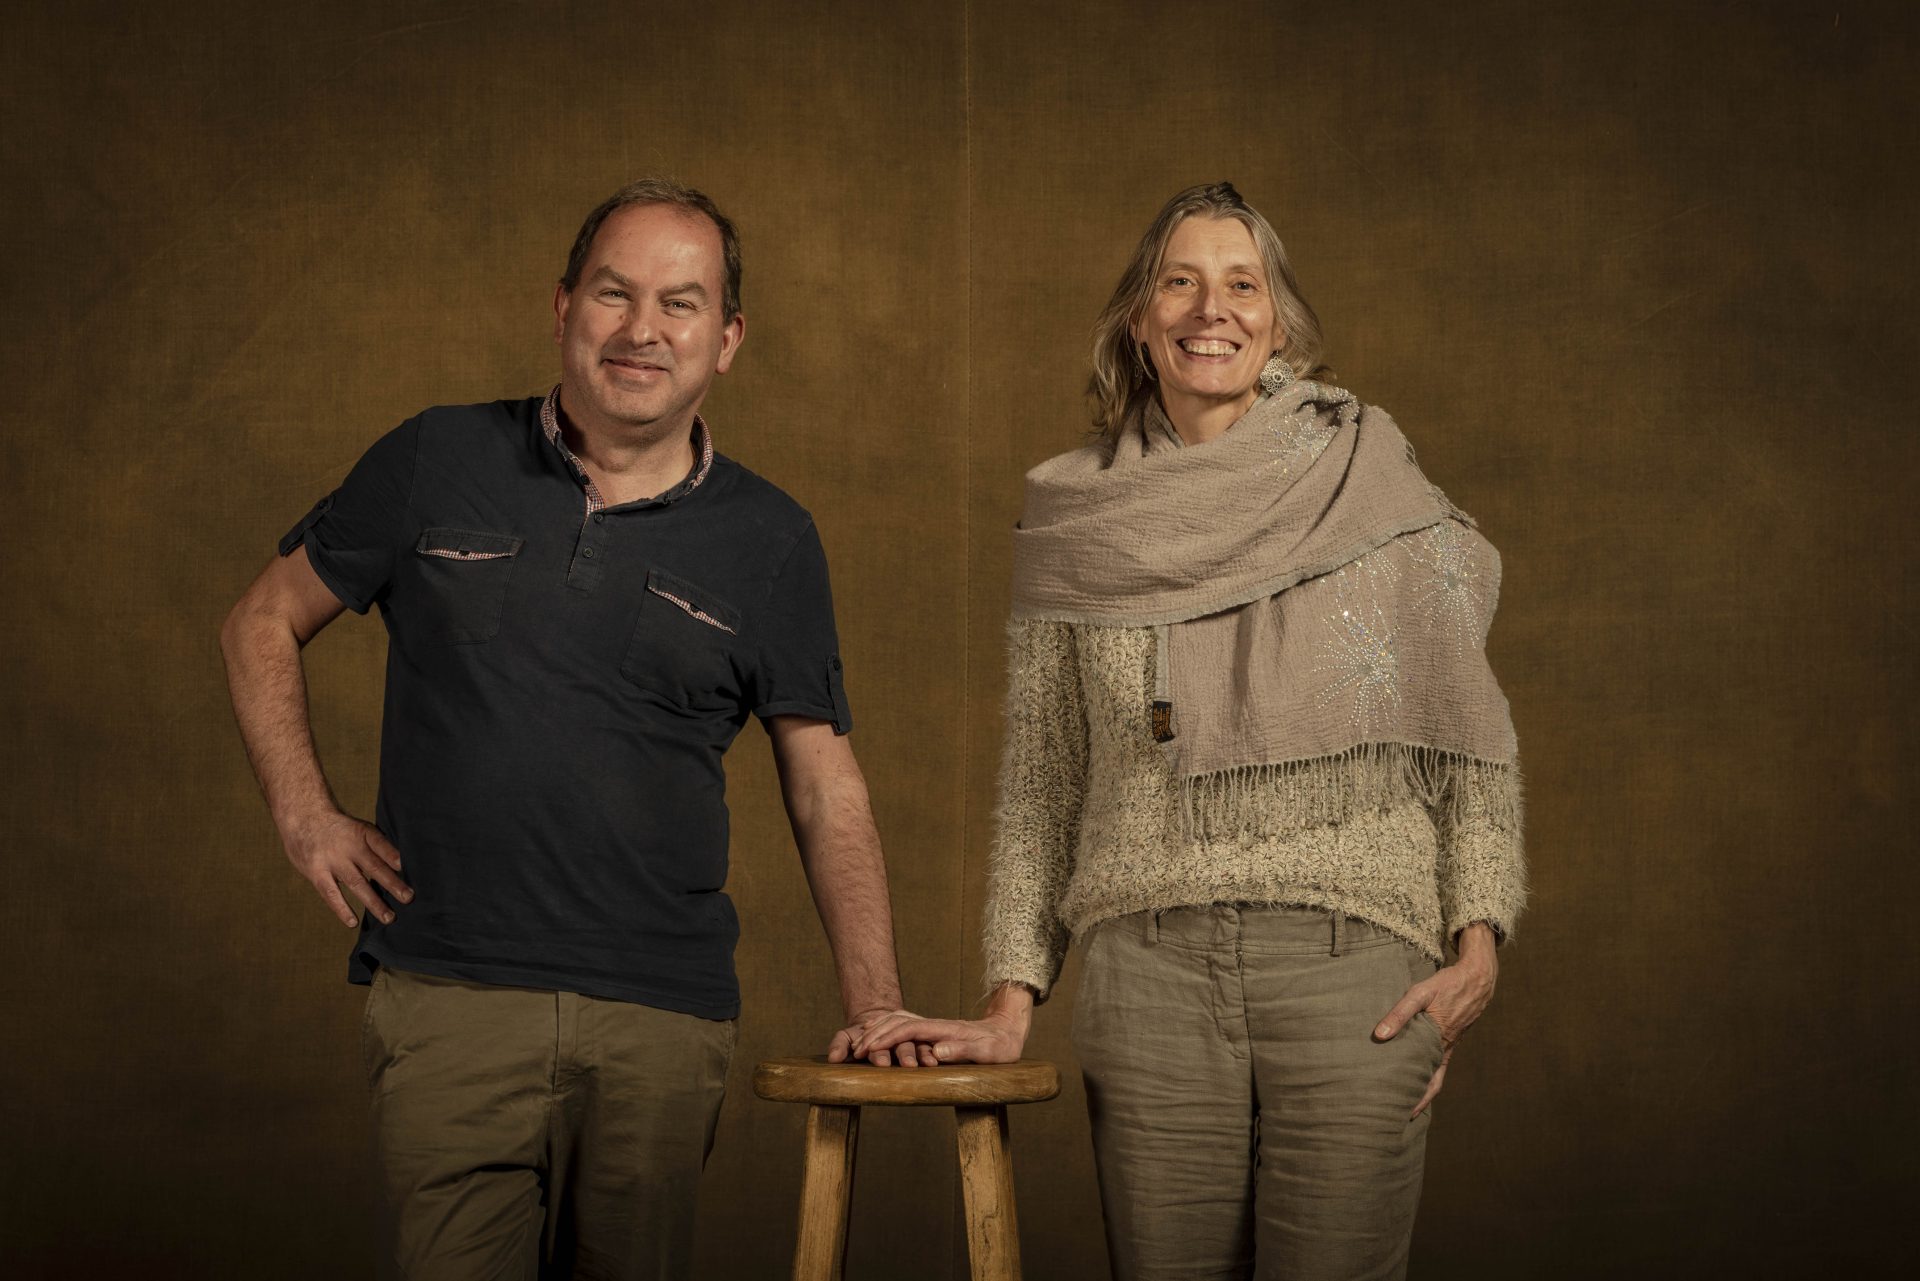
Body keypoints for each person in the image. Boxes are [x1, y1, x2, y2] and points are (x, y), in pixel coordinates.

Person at [219, 177, 928, 1280]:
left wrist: (875, 1002)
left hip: (661, 1022)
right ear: (562, 308)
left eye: (681, 303)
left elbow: (823, 783)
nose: (643, 329)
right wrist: (304, 816)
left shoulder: (774, 539)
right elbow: (261, 620)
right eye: (614, 292)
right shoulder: (435, 457)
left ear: (727, 339)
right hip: (452, 1000)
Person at [852, 182, 1526, 1279]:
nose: (1211, 309)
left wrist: (1478, 945)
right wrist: (1010, 1003)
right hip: (1148, 976)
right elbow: (1044, 779)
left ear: (1279, 323)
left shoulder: (1370, 484)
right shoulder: (1077, 516)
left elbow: (1463, 732)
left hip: (1353, 968)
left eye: (1241, 285)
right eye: (1181, 281)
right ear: (1140, 318)